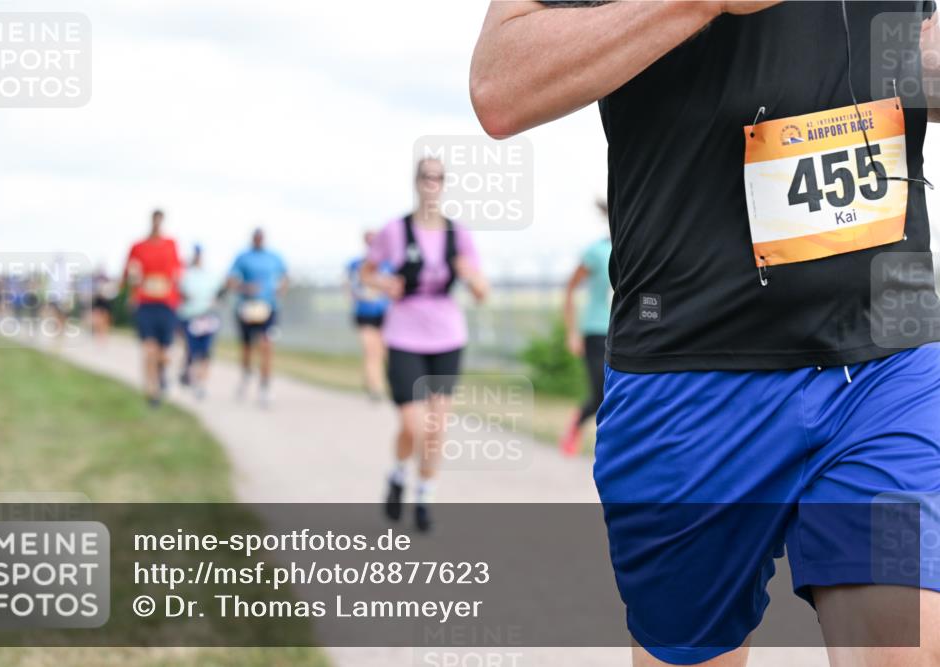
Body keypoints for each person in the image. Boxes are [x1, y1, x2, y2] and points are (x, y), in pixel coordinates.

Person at [472, 2, 939, 666]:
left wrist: (918, 63)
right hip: (690, 370)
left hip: (884, 362)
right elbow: (500, 89)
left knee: (906, 645)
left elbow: (902, 60)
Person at [361, 158, 488, 532]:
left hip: (447, 337)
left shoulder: (458, 234)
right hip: (404, 335)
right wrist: (384, 284)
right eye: (426, 177)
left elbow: (482, 291)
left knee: (436, 427)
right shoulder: (394, 230)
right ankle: (398, 474)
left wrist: (470, 277)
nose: (432, 183)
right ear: (415, 182)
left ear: (444, 184)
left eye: (439, 177)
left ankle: (424, 496)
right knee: (412, 426)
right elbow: (366, 272)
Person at [559, 199, 612, 457]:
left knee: (620, 391)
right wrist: (572, 333)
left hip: (624, 330)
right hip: (596, 330)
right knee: (601, 392)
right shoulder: (596, 252)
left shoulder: (638, 249)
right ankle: (577, 424)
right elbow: (570, 289)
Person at [124, 209, 182, 407]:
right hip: (146, 303)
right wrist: (133, 283)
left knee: (163, 352)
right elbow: (129, 272)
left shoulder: (171, 244)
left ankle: (161, 375)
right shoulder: (138, 246)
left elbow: (178, 271)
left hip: (166, 303)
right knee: (149, 348)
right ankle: (152, 390)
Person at [227, 228, 288, 408]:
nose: (259, 240)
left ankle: (265, 385)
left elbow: (285, 277)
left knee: (266, 345)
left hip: (268, 307)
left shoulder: (274, 257)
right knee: (247, 347)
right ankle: (246, 374)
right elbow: (231, 280)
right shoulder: (243, 257)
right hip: (247, 307)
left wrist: (281, 290)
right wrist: (244, 287)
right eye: (256, 238)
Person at [346, 231, 392, 401]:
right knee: (371, 350)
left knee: (385, 351)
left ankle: (375, 380)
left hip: (386, 313)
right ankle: (375, 387)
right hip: (365, 313)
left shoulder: (389, 263)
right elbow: (351, 287)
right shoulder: (356, 264)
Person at [177, 245, 223, 400]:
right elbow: (180, 293)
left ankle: (200, 383)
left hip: (207, 317)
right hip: (190, 317)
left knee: (206, 352)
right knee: (192, 350)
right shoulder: (185, 274)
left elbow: (219, 292)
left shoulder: (210, 275)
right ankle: (189, 374)